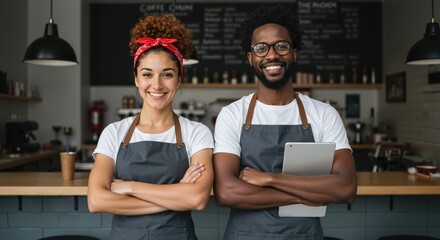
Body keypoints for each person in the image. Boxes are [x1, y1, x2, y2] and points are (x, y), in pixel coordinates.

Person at [213, 5, 357, 240]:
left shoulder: (323, 114)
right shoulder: (232, 115)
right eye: (261, 48)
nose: (272, 55)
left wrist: (270, 178)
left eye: (281, 46)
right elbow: (226, 193)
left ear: (294, 53)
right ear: (250, 58)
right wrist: (304, 195)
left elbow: (346, 188)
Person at [87, 14, 214, 240]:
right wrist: (176, 195)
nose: (156, 85)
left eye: (167, 74)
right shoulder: (114, 132)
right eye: (147, 74)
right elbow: (97, 200)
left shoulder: (197, 132)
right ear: (136, 79)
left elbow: (196, 199)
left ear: (178, 80)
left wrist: (131, 187)